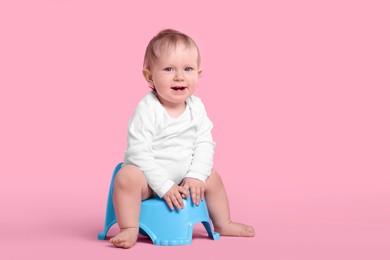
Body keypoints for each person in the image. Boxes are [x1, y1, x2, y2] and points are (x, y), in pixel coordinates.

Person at [110, 29, 255, 248]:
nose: (179, 76)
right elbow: (139, 152)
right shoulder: (148, 109)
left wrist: (196, 176)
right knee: (125, 177)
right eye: (168, 69)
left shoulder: (196, 107)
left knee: (212, 178)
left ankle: (223, 222)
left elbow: (205, 143)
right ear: (149, 76)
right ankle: (129, 227)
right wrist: (164, 185)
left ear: (198, 72)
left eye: (188, 69)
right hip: (149, 179)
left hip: (185, 176)